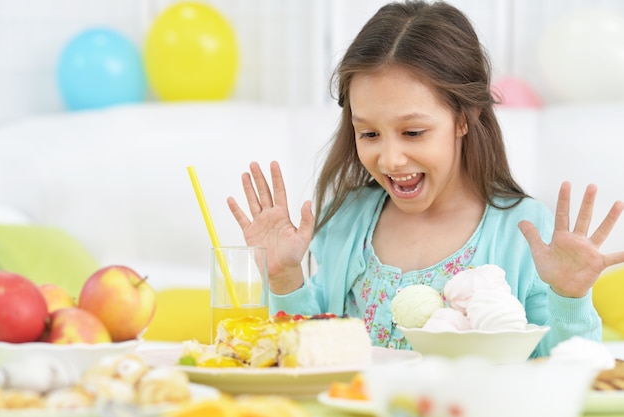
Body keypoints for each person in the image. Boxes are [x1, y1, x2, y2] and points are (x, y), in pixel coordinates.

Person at [226, 0, 624, 356]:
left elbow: (569, 372)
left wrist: (569, 296)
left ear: (464, 119)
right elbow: (309, 348)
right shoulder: (349, 219)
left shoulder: (524, 232)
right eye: (368, 134)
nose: (390, 158)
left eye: (413, 132)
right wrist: (284, 277)